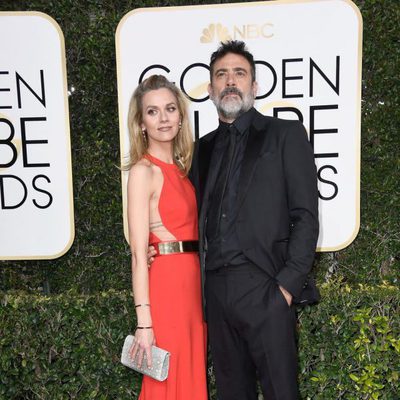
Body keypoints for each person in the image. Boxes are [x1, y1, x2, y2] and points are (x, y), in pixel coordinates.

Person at [191, 41, 319, 399]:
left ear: (254, 86)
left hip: (265, 286)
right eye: (222, 75)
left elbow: (305, 215)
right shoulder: (201, 149)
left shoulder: (284, 135)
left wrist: (287, 287)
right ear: (211, 89)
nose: (230, 81)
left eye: (239, 73)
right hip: (215, 292)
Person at [126, 74, 207, 400]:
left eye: (170, 109)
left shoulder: (183, 170)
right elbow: (138, 253)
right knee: (166, 382)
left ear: (180, 115)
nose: (163, 118)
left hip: (191, 287)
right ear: (141, 122)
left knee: (189, 375)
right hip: (167, 288)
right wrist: (144, 322)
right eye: (153, 111)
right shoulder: (143, 172)